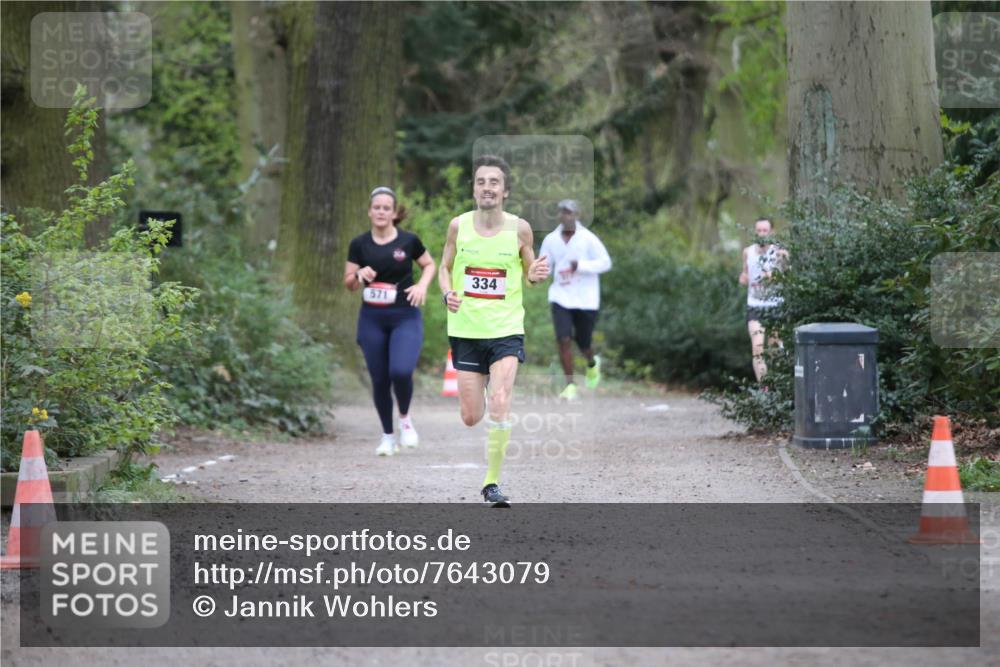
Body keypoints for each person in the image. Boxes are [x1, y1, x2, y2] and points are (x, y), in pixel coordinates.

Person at [437, 155, 550, 506]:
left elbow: (530, 272)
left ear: (505, 191)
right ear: (474, 189)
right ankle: (484, 397)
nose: (487, 187)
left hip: (506, 328)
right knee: (472, 417)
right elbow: (444, 266)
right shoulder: (459, 226)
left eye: (494, 182)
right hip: (467, 329)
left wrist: (535, 274)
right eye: (481, 182)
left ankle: (491, 483)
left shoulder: (520, 229)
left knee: (500, 402)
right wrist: (447, 292)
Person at [344, 186, 436, 456]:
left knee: (401, 371)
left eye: (387, 208)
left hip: (405, 316)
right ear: (370, 211)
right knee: (380, 379)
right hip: (371, 318)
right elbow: (348, 283)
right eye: (377, 207)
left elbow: (429, 265)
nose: (381, 212)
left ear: (394, 213)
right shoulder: (359, 244)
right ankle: (387, 436)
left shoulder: (408, 241)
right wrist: (360, 275)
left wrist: (421, 287)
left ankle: (405, 419)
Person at [538, 199, 612, 401]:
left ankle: (591, 362)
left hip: (586, 298)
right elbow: (545, 266)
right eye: (562, 212)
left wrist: (579, 265)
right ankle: (570, 385)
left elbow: (605, 263)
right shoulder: (551, 240)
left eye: (569, 212)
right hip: (560, 296)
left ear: (577, 215)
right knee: (563, 339)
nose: (565, 216)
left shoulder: (588, 239)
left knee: (583, 343)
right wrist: (538, 274)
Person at [738, 218, 788, 383]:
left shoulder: (779, 253)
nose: (761, 234)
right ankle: (764, 389)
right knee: (757, 348)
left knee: (775, 349)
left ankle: (778, 386)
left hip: (775, 306)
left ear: (771, 232)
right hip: (755, 306)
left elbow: (785, 275)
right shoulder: (747, 252)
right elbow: (745, 272)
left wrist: (774, 276)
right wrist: (744, 277)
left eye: (765, 230)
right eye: (758, 230)